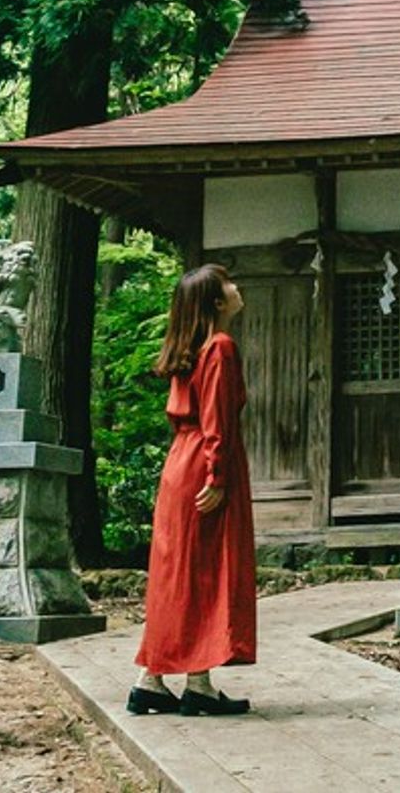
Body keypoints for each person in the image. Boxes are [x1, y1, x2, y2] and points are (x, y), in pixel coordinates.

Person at [129, 265, 257, 716]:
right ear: (217, 302)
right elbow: (217, 421)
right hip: (205, 462)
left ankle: (153, 679)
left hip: (179, 463)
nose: (236, 287)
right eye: (228, 283)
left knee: (177, 573)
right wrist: (218, 477)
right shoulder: (219, 347)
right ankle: (197, 682)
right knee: (206, 570)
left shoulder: (189, 349)